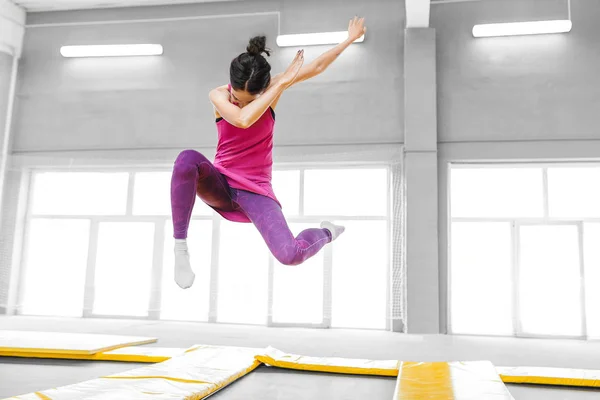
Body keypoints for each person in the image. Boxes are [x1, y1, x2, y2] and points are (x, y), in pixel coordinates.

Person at [170, 17, 367, 289]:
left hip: (256, 191)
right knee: (186, 159)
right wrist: (281, 83)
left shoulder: (274, 89)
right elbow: (241, 120)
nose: (239, 102)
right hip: (221, 183)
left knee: (291, 255)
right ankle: (180, 249)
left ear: (262, 90)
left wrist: (348, 39)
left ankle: (327, 231)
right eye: (238, 97)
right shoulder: (218, 95)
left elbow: (317, 66)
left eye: (250, 99)